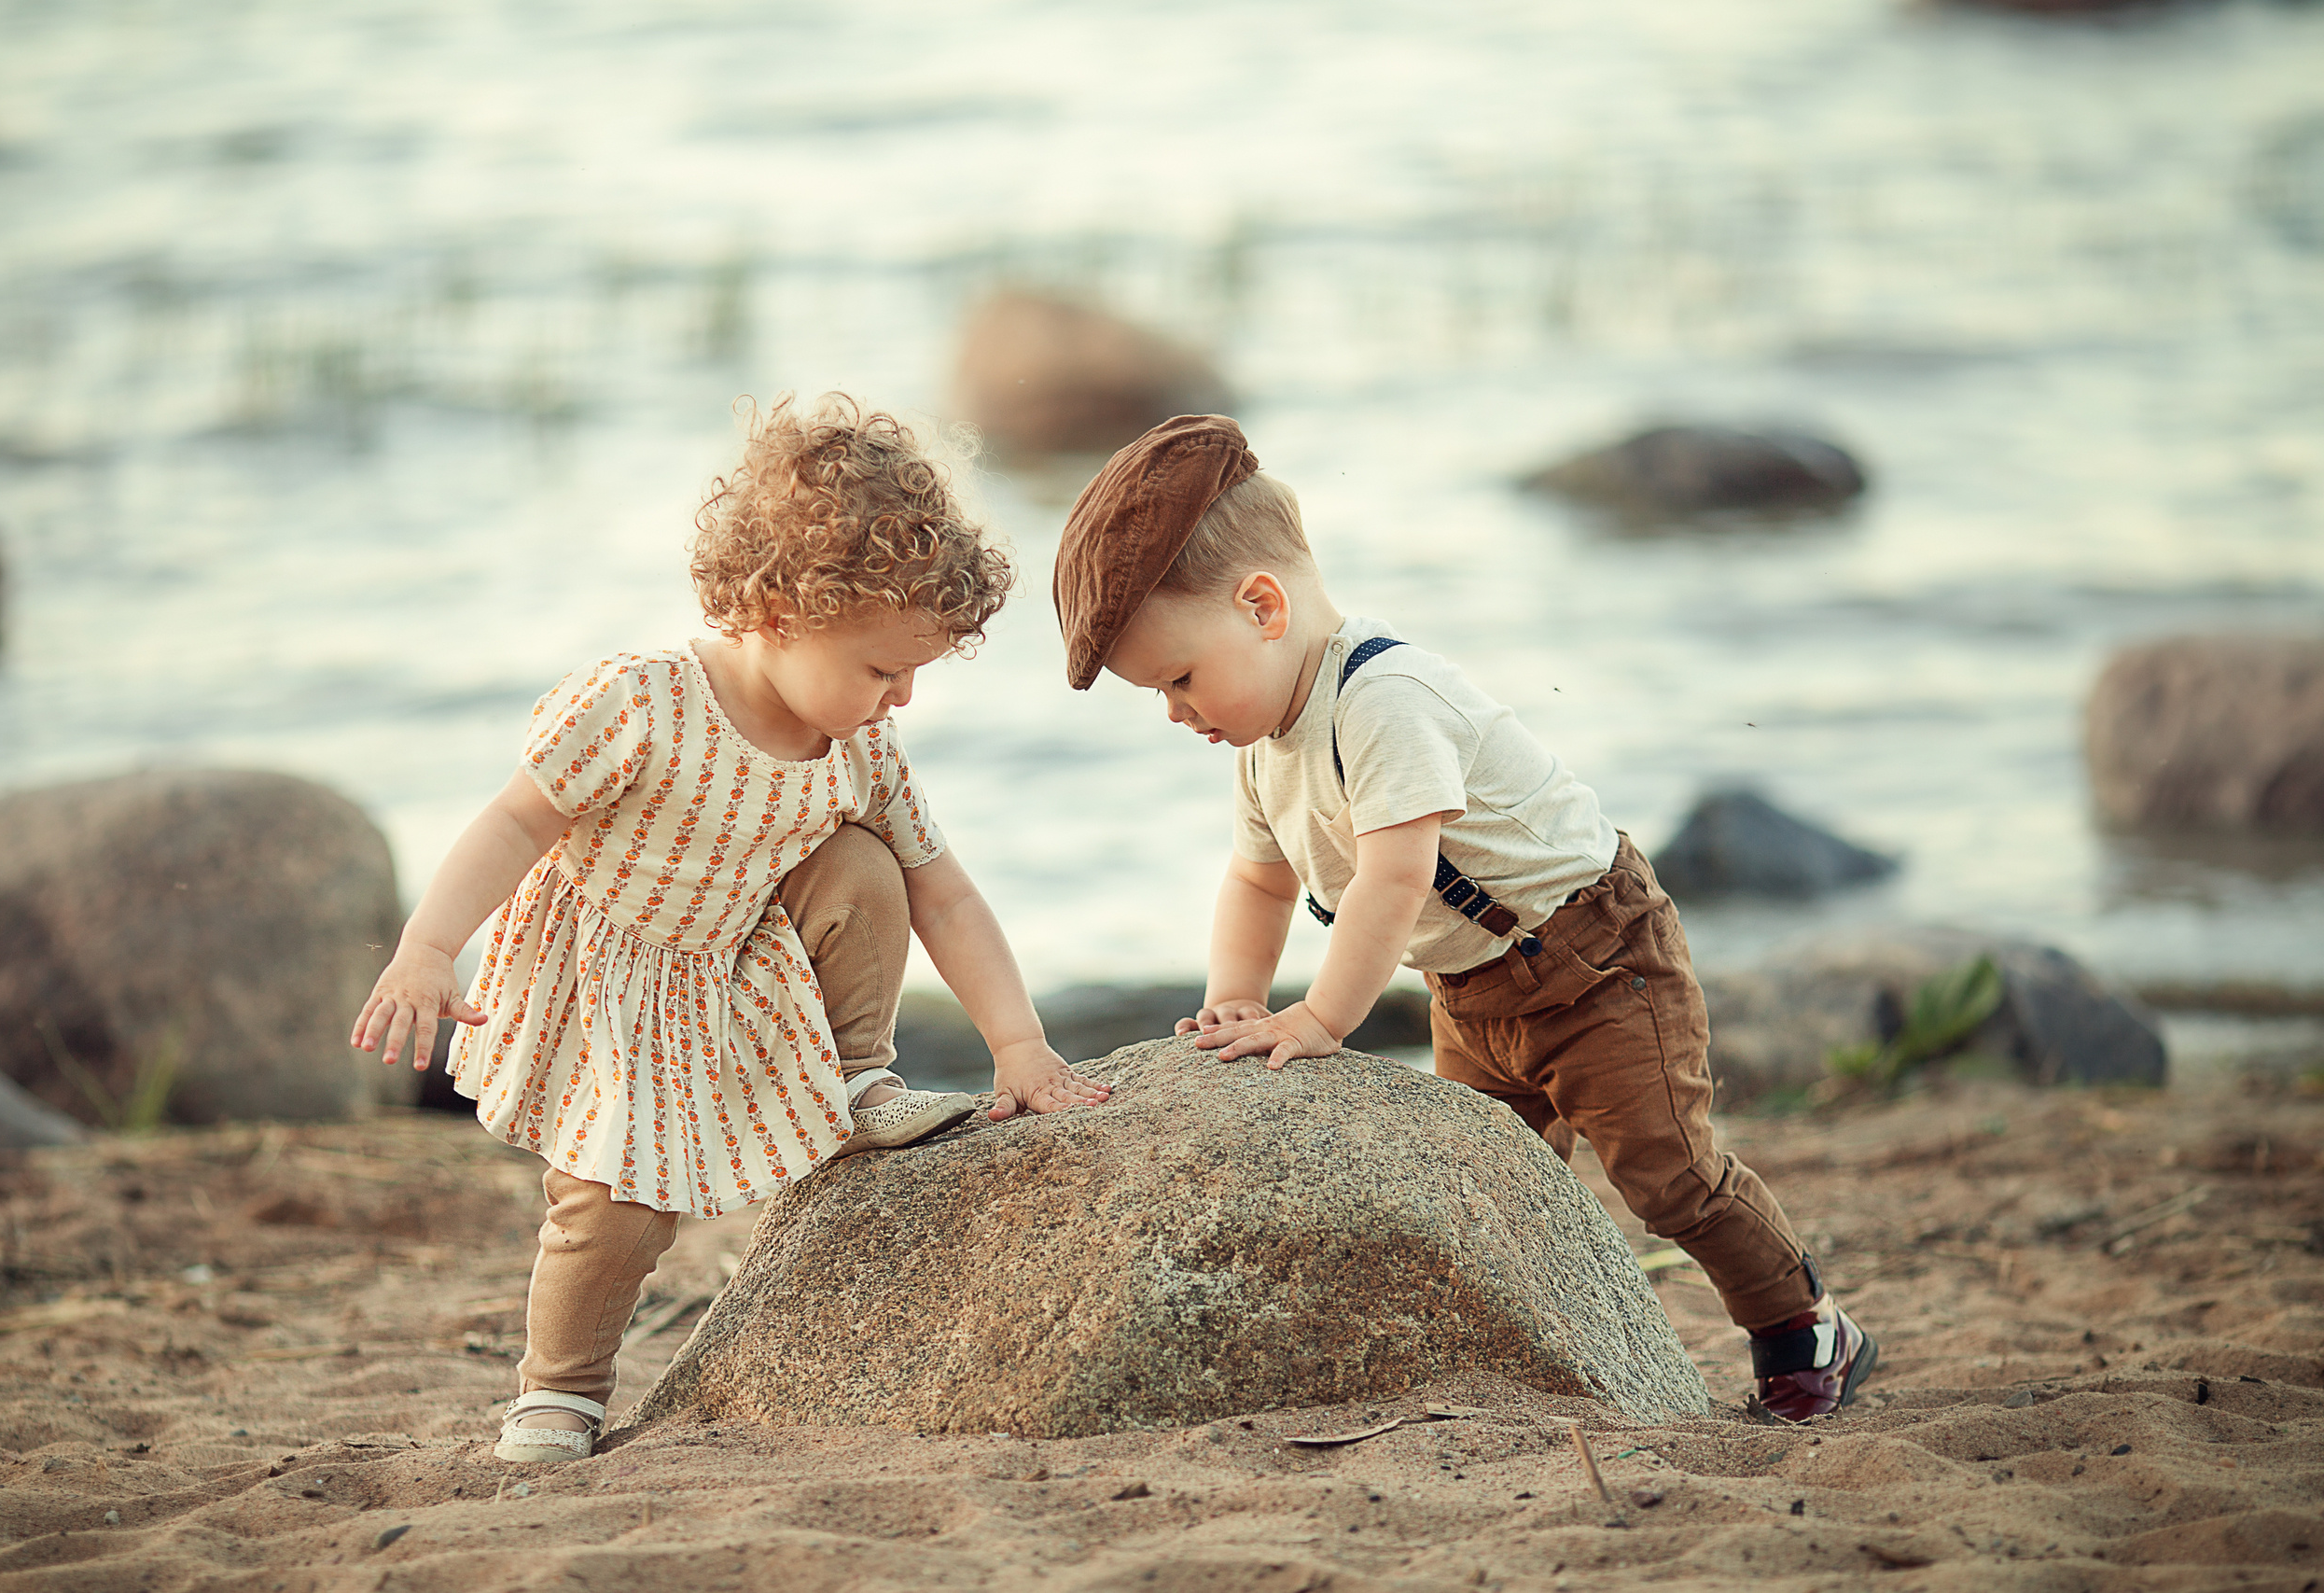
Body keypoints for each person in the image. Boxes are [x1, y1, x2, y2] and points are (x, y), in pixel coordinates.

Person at [1051, 414, 1874, 1423]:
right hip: (1472, 990)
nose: (1176, 712)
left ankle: (1804, 1327)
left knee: (1667, 1180)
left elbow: (1393, 883)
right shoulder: (1264, 750)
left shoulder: (1382, 698)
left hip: (1596, 958)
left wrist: (1315, 1022)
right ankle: (1546, 1352)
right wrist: (1234, 998)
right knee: (1492, 1181)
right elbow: (1257, 883)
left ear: (1262, 606)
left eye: (1179, 678)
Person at [352, 395, 1109, 1463]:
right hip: (610, 974)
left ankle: (854, 1082)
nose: (899, 699)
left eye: (914, 675)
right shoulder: (642, 703)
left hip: (738, 959)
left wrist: (1019, 1045)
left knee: (867, 864)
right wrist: (428, 947)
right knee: (616, 1200)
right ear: (775, 612)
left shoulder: (859, 752)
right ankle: (559, 1392)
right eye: (881, 669)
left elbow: (948, 894)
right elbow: (519, 818)